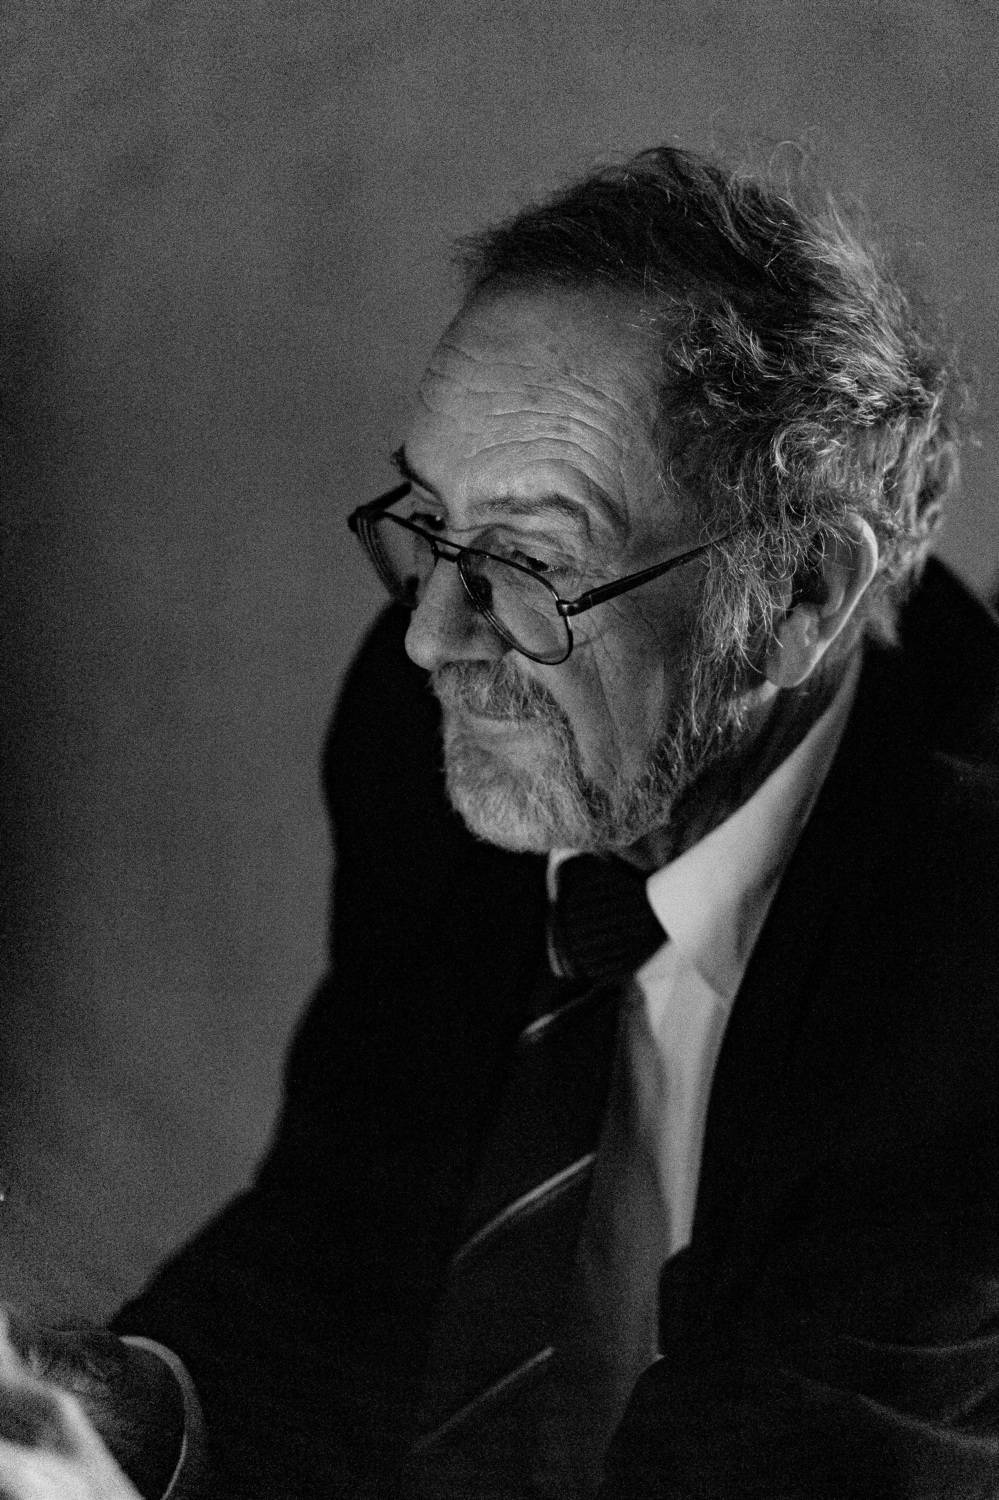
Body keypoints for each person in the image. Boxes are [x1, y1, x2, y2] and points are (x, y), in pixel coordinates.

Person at [2, 143, 998, 1499]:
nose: (431, 638)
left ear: (804, 593)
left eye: (530, 559)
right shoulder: (435, 728)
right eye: (431, 521)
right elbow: (349, 1247)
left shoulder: (968, 955)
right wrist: (114, 1421)